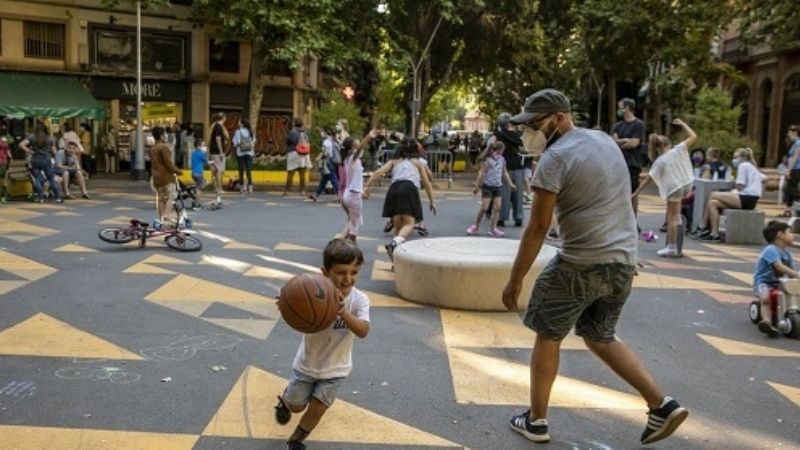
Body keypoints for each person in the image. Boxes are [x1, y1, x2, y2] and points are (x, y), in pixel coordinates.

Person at [502, 89, 687, 446]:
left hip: (580, 263)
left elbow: (538, 227)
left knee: (548, 333)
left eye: (535, 124)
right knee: (599, 335)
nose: (529, 133)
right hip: (622, 262)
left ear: (559, 118)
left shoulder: (553, 159)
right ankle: (662, 405)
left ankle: (536, 420)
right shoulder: (603, 140)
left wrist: (515, 279)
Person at [274, 238, 370, 450]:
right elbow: (295, 302)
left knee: (317, 409)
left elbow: (363, 331)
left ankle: (295, 441)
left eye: (354, 272)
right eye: (341, 272)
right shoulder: (312, 291)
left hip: (336, 369)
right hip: (307, 365)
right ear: (325, 272)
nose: (348, 278)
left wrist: (343, 312)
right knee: (297, 406)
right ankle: (286, 401)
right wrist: (288, 303)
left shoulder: (360, 300)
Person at [364, 137, 437, 261]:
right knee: (409, 223)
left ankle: (395, 261)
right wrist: (432, 201)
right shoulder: (417, 162)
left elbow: (377, 173)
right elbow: (426, 182)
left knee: (398, 228)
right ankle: (394, 244)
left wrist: (367, 188)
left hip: (394, 189)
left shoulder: (394, 161)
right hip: (409, 189)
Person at [632, 119, 697, 257]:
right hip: (686, 184)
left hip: (673, 188)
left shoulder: (660, 161)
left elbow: (649, 179)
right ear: (668, 143)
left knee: (672, 218)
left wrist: (636, 192)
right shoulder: (678, 149)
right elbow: (693, 136)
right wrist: (683, 124)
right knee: (677, 216)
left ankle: (672, 247)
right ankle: (676, 244)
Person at [698, 147, 765, 242]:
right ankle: (714, 234)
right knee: (713, 203)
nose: (734, 160)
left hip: (746, 197)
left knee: (713, 194)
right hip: (751, 199)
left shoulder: (743, 166)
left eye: (736, 157)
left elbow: (739, 186)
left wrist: (735, 184)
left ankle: (702, 225)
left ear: (743, 157)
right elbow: (765, 178)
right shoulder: (751, 166)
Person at [753, 221, 798, 337]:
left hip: (779, 283)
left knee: (794, 294)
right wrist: (797, 274)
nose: (794, 235)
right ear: (780, 235)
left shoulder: (787, 254)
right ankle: (767, 323)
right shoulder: (771, 249)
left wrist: (796, 276)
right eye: (790, 232)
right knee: (766, 299)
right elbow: (779, 266)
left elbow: (792, 273)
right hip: (764, 282)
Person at [468, 141, 516, 237]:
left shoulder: (502, 159)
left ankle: (493, 229)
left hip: (497, 186)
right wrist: (477, 187)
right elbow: (481, 174)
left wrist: (510, 184)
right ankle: (475, 226)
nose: (503, 152)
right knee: (484, 208)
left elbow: (505, 172)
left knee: (497, 208)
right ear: (499, 149)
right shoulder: (487, 160)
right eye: (502, 150)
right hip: (488, 186)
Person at [485, 113, 526, 227]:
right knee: (518, 193)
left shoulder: (496, 135)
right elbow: (522, 149)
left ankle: (502, 218)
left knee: (504, 193)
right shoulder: (515, 135)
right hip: (517, 166)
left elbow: (490, 147)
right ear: (508, 124)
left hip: (503, 167)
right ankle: (518, 218)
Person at [339, 132, 377, 243]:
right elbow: (361, 148)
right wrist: (369, 136)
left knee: (352, 221)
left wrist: (362, 192)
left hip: (351, 193)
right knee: (354, 225)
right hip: (353, 194)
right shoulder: (352, 158)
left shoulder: (350, 159)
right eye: (356, 142)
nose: (359, 143)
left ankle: (341, 242)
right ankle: (351, 245)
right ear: (352, 147)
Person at [611, 98, 646, 217]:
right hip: (618, 164)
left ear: (627, 108)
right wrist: (625, 140)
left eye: (620, 107)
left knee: (632, 194)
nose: (618, 110)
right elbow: (613, 141)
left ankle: (633, 222)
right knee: (618, 194)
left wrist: (620, 142)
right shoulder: (617, 125)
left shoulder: (639, 124)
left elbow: (634, 143)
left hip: (632, 165)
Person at [19, 124, 63, 203]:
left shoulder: (32, 137)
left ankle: (40, 198)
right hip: (46, 160)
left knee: (37, 179)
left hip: (35, 160)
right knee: (51, 179)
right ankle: (58, 198)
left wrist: (30, 151)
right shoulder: (49, 138)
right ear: (46, 129)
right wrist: (49, 153)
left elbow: (21, 145)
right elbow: (54, 152)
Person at [150, 126, 183, 227]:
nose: (166, 136)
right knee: (171, 197)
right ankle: (165, 217)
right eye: (164, 135)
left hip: (156, 177)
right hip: (166, 176)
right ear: (161, 136)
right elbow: (168, 163)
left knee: (160, 199)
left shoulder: (153, 148)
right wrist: (178, 171)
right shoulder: (163, 147)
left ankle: (161, 220)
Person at [310, 127, 340, 202]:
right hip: (331, 162)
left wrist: (318, 159)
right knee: (324, 180)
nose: (321, 133)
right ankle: (316, 195)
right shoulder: (332, 141)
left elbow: (325, 153)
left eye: (322, 131)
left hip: (327, 162)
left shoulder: (326, 142)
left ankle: (341, 196)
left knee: (334, 180)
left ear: (326, 132)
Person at [284, 118, 311, 196]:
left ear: (294, 124)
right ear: (301, 124)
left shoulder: (292, 132)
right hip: (303, 154)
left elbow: (288, 142)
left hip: (293, 153)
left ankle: (287, 190)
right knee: (302, 173)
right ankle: (302, 190)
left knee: (291, 173)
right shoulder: (304, 132)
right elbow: (307, 142)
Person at [209, 112, 229, 205]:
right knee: (218, 170)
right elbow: (218, 139)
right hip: (217, 152)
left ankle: (215, 188)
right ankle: (219, 188)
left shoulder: (213, 126)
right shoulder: (218, 127)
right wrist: (221, 151)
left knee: (214, 170)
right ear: (223, 118)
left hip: (213, 151)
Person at [780, 125, 800, 217]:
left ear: (795, 132)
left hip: (796, 169)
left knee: (792, 189)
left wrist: (789, 170)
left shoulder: (798, 143)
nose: (788, 134)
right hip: (793, 168)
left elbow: (795, 157)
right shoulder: (794, 143)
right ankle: (788, 210)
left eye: (790, 132)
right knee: (788, 189)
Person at [233, 118, 256, 194]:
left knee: (241, 170)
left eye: (239, 122)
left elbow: (235, 143)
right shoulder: (250, 132)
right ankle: (250, 187)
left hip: (240, 152)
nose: (238, 123)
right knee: (249, 170)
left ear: (242, 124)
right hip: (249, 153)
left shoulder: (238, 132)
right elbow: (253, 143)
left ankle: (242, 187)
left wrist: (239, 145)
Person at [191, 138, 208, 209]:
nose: (204, 147)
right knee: (200, 188)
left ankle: (196, 196)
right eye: (203, 145)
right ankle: (196, 204)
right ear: (198, 146)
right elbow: (206, 162)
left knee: (202, 184)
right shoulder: (201, 153)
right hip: (199, 173)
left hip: (194, 173)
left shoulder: (194, 153)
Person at [0, 136, 11, 203]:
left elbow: (9, 155)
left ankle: (2, 197)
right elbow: (9, 155)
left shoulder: (6, 147)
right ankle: (2, 197)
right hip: (3, 163)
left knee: (3, 180)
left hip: (3, 164)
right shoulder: (6, 146)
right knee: (3, 180)